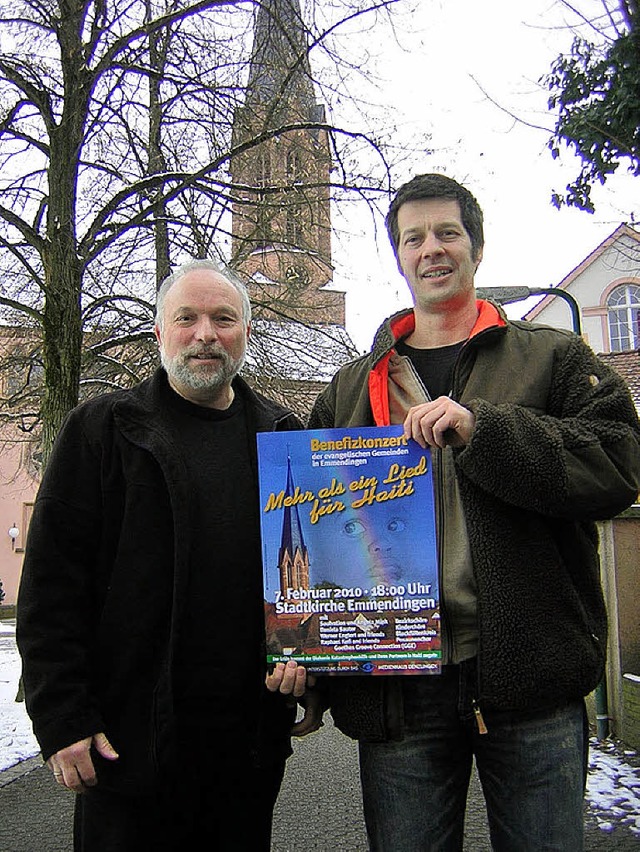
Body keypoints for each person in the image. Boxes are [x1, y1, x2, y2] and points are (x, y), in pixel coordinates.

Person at [298, 173, 640, 850]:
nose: (432, 249)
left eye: (447, 233)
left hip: (529, 676)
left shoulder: (552, 357)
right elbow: (309, 543)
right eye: (414, 238)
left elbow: (617, 463)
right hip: (400, 687)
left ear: (476, 249)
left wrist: (485, 431)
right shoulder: (349, 391)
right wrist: (304, 658)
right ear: (398, 256)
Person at [17, 259, 317, 852]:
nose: (206, 333)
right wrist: (62, 717)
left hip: (245, 748)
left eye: (223, 319)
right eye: (188, 318)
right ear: (160, 333)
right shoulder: (104, 431)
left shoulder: (283, 439)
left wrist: (312, 670)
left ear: (244, 335)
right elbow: (51, 587)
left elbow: (311, 577)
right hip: (127, 744)